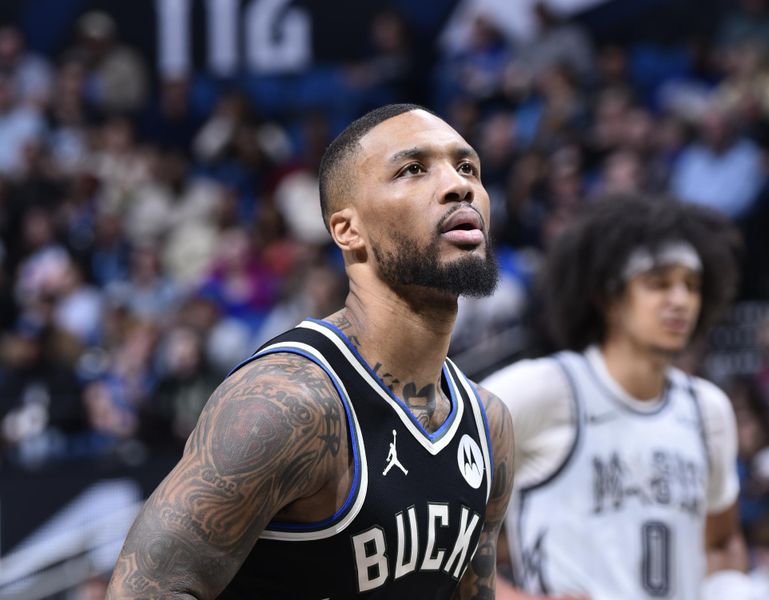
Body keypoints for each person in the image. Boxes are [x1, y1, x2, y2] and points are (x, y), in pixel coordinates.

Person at [106, 103, 514, 599]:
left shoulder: (488, 424)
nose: (458, 185)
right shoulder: (287, 403)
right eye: (413, 169)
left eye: (467, 166)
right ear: (348, 229)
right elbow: (143, 590)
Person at [481, 196, 752, 600]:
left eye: (692, 286)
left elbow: (722, 542)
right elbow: (434, 516)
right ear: (608, 298)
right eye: (659, 283)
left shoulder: (707, 410)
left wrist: (726, 587)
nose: (680, 300)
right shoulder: (541, 390)